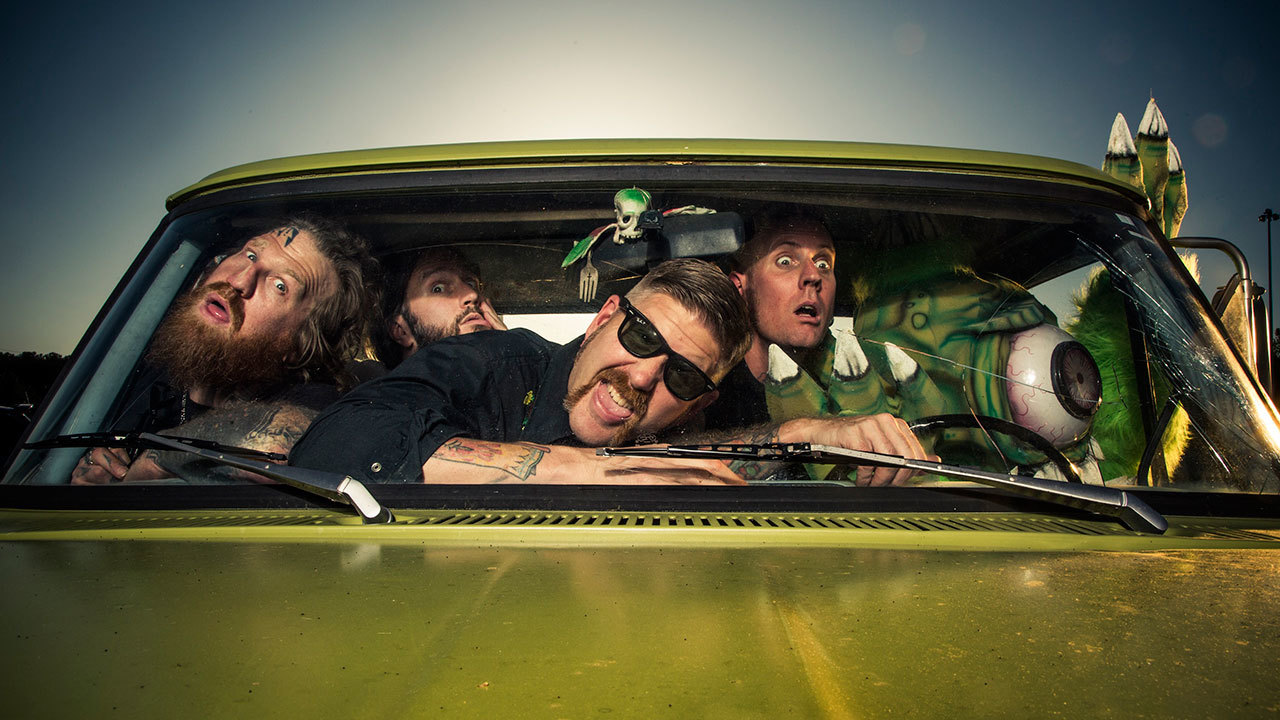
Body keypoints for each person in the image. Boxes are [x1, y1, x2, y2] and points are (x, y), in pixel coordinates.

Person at [291, 258, 932, 487]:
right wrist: (598, 469)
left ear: (697, 403)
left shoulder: (669, 429)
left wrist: (804, 435)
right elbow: (341, 443)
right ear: (603, 317)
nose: (644, 376)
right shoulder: (495, 363)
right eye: (641, 335)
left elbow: (691, 458)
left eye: (681, 376)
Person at [72, 215, 379, 484]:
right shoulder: (134, 379)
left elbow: (279, 440)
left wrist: (153, 459)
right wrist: (96, 469)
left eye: (280, 285)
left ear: (299, 346)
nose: (239, 281)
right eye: (249, 255)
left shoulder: (313, 401)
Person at [702, 213, 837, 431]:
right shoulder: (707, 391)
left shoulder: (848, 383)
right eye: (785, 261)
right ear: (739, 288)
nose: (813, 276)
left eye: (823, 263)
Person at [376, 246, 506, 369]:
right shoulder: (386, 392)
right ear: (400, 330)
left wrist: (512, 354)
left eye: (471, 284)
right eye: (438, 289)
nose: (472, 294)